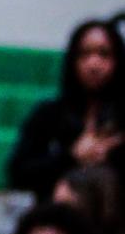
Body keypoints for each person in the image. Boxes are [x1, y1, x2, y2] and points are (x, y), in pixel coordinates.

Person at [7, 20, 125, 199]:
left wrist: (112, 155)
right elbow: (18, 173)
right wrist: (71, 156)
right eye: (84, 54)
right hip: (58, 216)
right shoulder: (48, 115)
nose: (94, 64)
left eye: (104, 54)